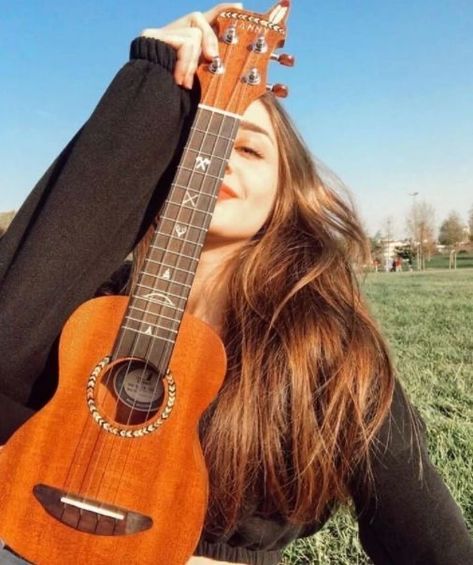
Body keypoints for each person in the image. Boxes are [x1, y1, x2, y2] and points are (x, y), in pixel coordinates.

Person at [0, 4, 472, 565]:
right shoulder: (84, 308)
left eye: (247, 148)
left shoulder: (324, 347)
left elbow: (436, 545)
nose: (216, 156)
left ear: (286, 188)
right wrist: (148, 85)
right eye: (194, 141)